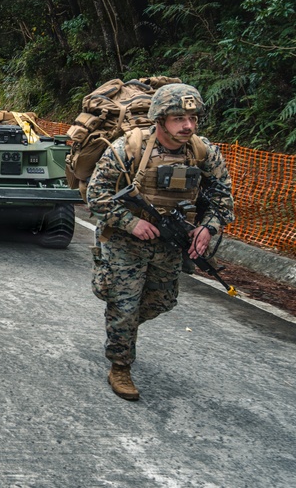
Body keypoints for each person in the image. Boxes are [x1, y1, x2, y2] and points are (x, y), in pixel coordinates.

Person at [85, 83, 234, 401]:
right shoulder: (129, 147)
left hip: (169, 243)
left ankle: (120, 326)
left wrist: (206, 228)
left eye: (193, 118)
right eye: (179, 118)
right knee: (125, 305)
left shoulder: (203, 152)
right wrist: (131, 222)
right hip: (126, 241)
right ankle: (120, 366)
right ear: (160, 119)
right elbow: (96, 196)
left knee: (161, 302)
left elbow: (223, 198)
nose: (188, 125)